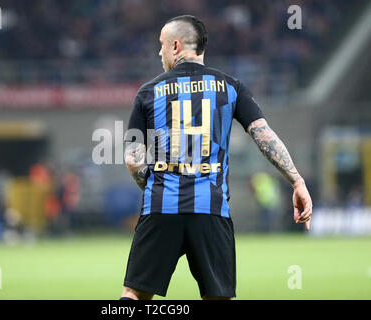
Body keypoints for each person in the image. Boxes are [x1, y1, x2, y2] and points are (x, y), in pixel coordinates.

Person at [121, 15, 312, 300]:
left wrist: (157, 186)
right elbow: (263, 135)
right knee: (219, 296)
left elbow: (133, 158)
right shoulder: (230, 87)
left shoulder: (149, 92)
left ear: (175, 46)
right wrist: (296, 181)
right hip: (211, 209)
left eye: (161, 45)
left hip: (161, 208)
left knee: (134, 294)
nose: (159, 52)